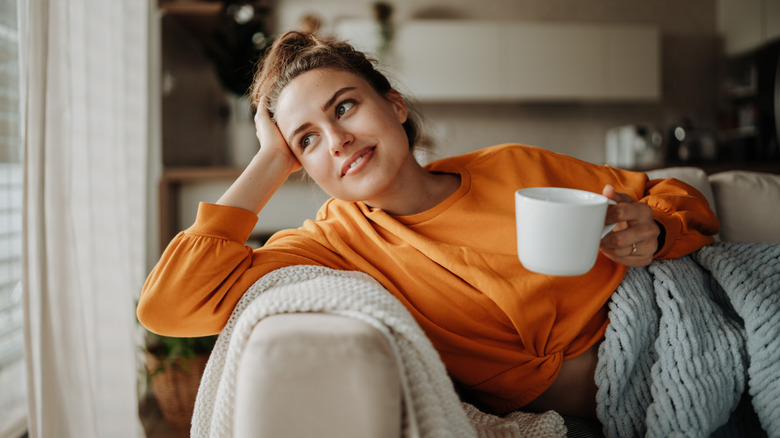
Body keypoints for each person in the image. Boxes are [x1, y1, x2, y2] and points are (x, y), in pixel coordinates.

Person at [137, 31, 719, 421]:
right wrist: (267, 161)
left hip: (677, 334)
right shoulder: (333, 244)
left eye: (344, 107)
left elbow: (677, 196)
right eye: (307, 140)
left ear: (394, 107)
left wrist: (658, 229)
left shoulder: (514, 166)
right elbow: (168, 304)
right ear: (299, 165)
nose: (337, 140)